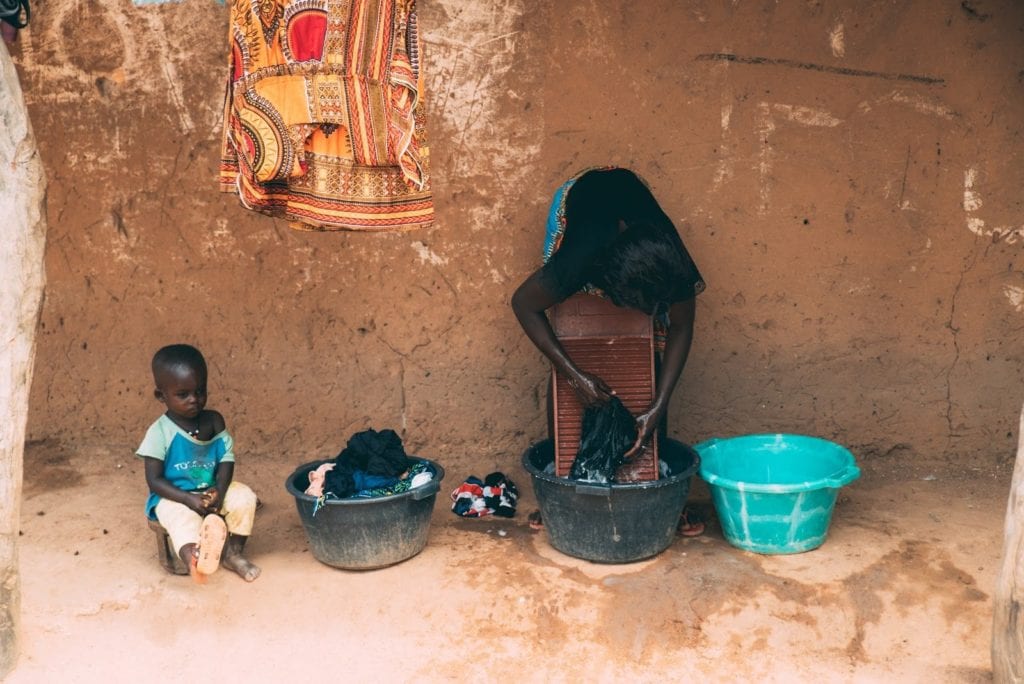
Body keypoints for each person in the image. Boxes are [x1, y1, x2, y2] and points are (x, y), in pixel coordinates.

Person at [511, 166, 706, 535]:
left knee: (645, 352)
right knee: (575, 337)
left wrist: (658, 404)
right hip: (583, 202)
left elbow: (681, 325)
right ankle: (559, 489)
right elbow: (523, 304)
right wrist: (575, 374)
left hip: (630, 205)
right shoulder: (578, 259)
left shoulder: (674, 261)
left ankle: (658, 490)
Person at [137, 344, 261, 582]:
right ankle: (193, 558)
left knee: (244, 497)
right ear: (161, 396)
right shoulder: (159, 433)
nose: (194, 400)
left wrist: (220, 491)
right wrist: (187, 498)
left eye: (200, 391)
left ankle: (233, 554)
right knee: (181, 519)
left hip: (212, 491)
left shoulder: (214, 421)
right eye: (183, 395)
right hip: (175, 496)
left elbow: (226, 459)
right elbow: (154, 480)